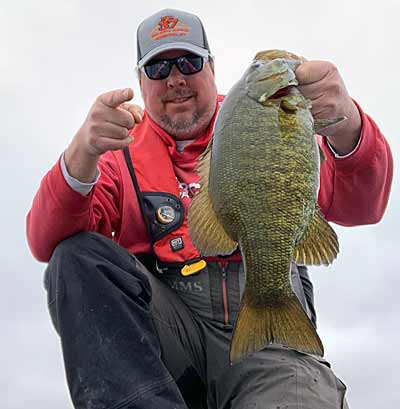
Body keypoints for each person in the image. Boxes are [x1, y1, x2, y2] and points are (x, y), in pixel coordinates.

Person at [26, 8, 393, 409]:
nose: (176, 78)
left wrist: (346, 124)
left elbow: (364, 206)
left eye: (189, 61)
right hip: (171, 344)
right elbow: (47, 243)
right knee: (76, 258)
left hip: (270, 344)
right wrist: (80, 154)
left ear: (212, 68)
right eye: (158, 68)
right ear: (140, 82)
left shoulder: (264, 121)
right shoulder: (118, 155)